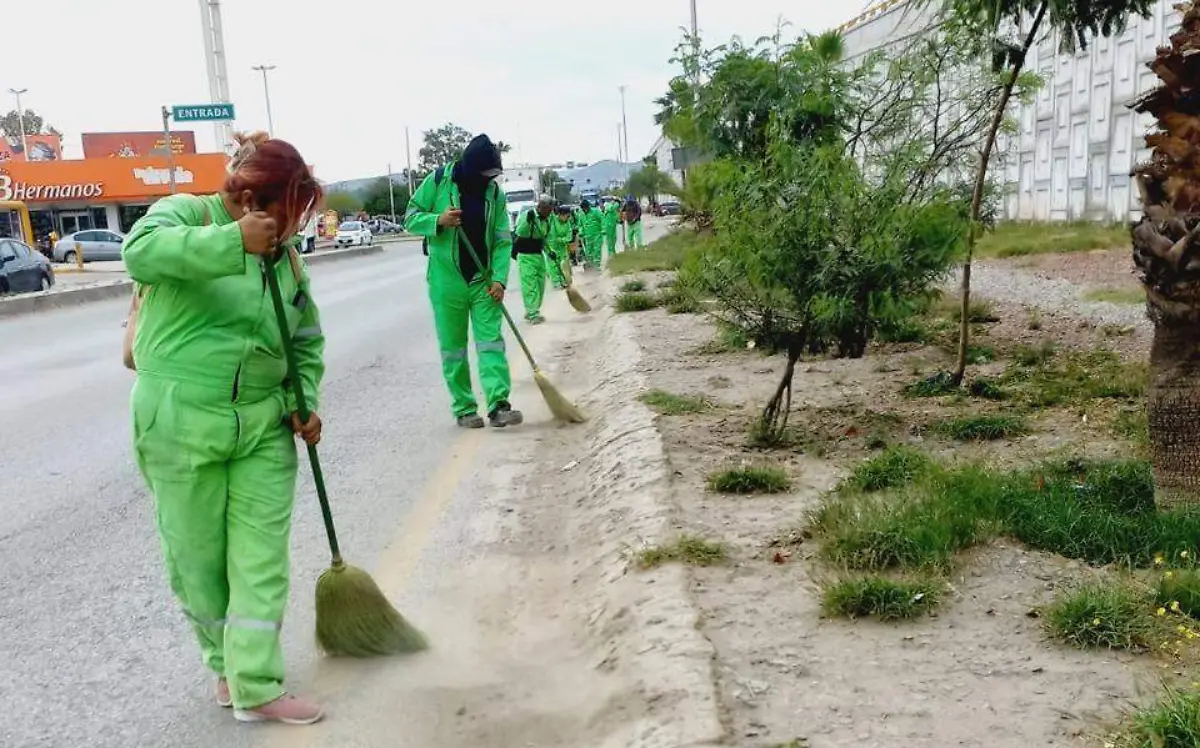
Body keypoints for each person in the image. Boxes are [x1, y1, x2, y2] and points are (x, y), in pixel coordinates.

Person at [122, 131, 326, 725]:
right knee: (198, 559)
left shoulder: (286, 260)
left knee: (261, 557)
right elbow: (140, 252)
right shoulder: (186, 213)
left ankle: (257, 682)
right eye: (284, 214)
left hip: (263, 425)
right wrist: (231, 242)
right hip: (179, 419)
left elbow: (306, 339)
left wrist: (303, 398)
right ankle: (223, 662)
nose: (290, 229)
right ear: (246, 200)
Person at [404, 133, 523, 429]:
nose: (489, 180)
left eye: (494, 176)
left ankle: (498, 404)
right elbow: (410, 217)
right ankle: (464, 407)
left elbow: (502, 240)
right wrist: (438, 221)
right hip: (447, 281)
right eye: (486, 174)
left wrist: (499, 279)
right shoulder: (438, 181)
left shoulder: (494, 194)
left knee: (490, 342)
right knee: (453, 347)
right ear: (471, 168)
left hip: (483, 281)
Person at [513, 194, 554, 324]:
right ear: (540, 207)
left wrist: (550, 252)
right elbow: (520, 232)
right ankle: (533, 313)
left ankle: (532, 309)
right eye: (547, 209)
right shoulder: (527, 215)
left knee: (541, 285)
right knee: (530, 285)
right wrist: (528, 222)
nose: (549, 212)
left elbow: (545, 238)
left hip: (538, 255)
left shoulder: (548, 220)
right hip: (525, 255)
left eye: (550, 210)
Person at [547, 204, 575, 289]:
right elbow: (553, 236)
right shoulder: (553, 221)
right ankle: (556, 282)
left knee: (564, 265)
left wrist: (562, 239)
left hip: (563, 248)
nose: (568, 218)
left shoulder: (567, 223)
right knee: (553, 265)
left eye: (569, 216)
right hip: (552, 247)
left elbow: (569, 236)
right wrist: (561, 239)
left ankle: (564, 281)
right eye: (566, 216)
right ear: (560, 215)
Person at [576, 199, 604, 268]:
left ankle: (597, 266)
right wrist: (581, 232)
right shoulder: (581, 215)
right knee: (588, 252)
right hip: (587, 237)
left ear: (589, 206)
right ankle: (590, 266)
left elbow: (602, 219)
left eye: (586, 208)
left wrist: (603, 229)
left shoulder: (596, 211)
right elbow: (580, 225)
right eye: (584, 209)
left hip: (597, 235)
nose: (585, 210)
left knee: (597, 251)